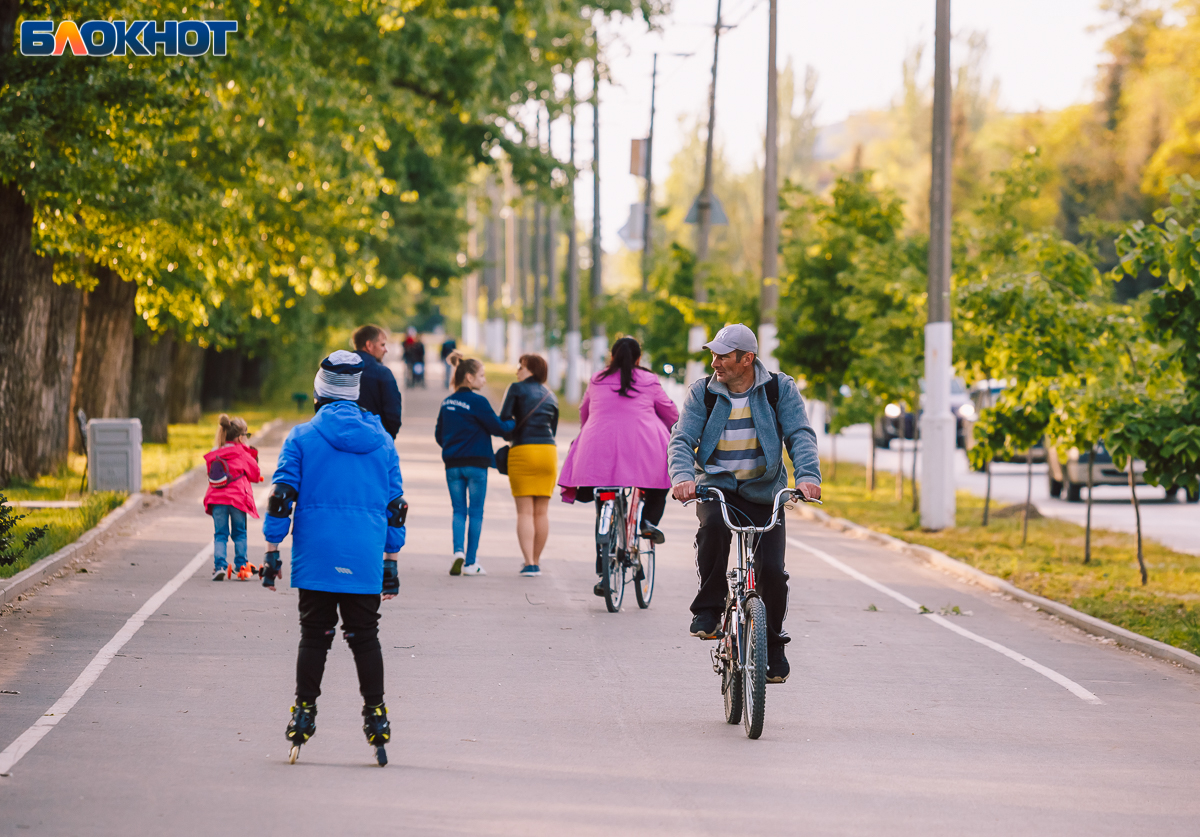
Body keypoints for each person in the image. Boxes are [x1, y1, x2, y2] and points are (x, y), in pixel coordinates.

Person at [261, 350, 407, 765]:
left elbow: (281, 498)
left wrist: (272, 552)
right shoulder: (382, 441)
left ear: (320, 391)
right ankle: (376, 715)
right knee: (365, 637)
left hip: (317, 554)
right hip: (364, 555)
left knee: (315, 635)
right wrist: (391, 562)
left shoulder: (302, 437)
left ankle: (304, 711)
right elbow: (395, 505)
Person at [668, 324, 821, 685]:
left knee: (772, 572)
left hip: (765, 491)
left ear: (747, 358)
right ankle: (708, 608)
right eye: (713, 354)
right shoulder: (702, 392)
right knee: (714, 530)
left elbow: (800, 433)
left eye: (723, 355)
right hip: (717, 487)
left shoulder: (778, 389)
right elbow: (682, 438)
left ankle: (772, 645)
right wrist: (682, 477)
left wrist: (808, 476)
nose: (715, 362)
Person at [557, 337, 679, 597]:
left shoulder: (597, 378)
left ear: (611, 357)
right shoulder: (648, 379)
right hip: (643, 445)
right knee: (660, 480)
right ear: (638, 359)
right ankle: (647, 522)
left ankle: (604, 569)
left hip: (598, 444)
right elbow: (669, 412)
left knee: (605, 502)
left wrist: (588, 430)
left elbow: (584, 411)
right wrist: (677, 430)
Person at [435, 352, 515, 576]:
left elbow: (439, 435)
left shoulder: (447, 402)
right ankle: (471, 563)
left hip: (452, 465)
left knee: (458, 510)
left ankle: (458, 552)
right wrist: (513, 422)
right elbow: (498, 428)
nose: (485, 380)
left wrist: (452, 447)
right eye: (481, 375)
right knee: (476, 512)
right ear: (469, 377)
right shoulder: (478, 402)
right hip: (476, 465)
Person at [500, 354, 559, 577]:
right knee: (541, 512)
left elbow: (505, 421)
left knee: (525, 512)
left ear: (531, 369)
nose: (517, 371)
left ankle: (529, 562)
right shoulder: (551, 395)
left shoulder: (516, 389)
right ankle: (537, 561)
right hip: (548, 452)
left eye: (521, 367)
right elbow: (553, 429)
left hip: (523, 450)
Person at [203, 414, 264, 581]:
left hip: (217, 500)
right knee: (240, 533)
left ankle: (220, 566)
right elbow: (255, 474)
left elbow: (212, 474)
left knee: (220, 534)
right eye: (246, 435)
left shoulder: (215, 453)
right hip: (237, 500)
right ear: (239, 437)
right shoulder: (242, 453)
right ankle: (241, 565)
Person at [353, 324, 403, 438]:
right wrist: (387, 438)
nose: (386, 350)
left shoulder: (340, 369)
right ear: (369, 345)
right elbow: (393, 414)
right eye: (382, 345)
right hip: (374, 439)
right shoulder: (382, 373)